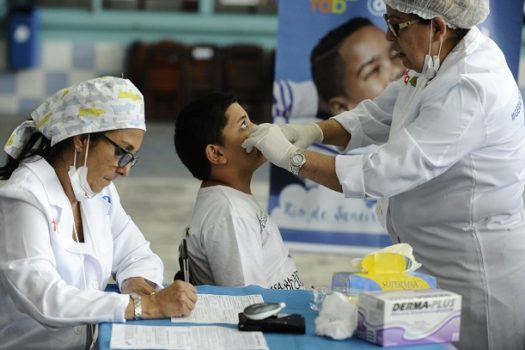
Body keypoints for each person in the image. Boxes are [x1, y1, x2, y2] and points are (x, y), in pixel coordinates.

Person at [243, 1, 525, 349]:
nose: (389, 38)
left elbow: (384, 172)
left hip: (476, 269)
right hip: (434, 257)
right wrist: (315, 132)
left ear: (437, 26)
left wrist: (292, 158)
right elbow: (380, 114)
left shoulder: (469, 87)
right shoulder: (437, 59)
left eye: (397, 25)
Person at [0, 76, 197, 350]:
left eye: (132, 157)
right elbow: (44, 298)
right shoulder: (25, 196)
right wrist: (143, 306)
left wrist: (135, 282)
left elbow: (136, 252)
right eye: (122, 152)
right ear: (81, 138)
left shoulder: (96, 192)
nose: (125, 169)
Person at [174, 92, 303, 290]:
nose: (258, 130)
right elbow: (249, 303)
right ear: (216, 154)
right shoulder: (230, 214)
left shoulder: (231, 200)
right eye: (244, 125)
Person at [273, 17, 404, 122]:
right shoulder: (324, 152)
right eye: (373, 71)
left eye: (396, 55)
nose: (396, 70)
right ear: (342, 108)